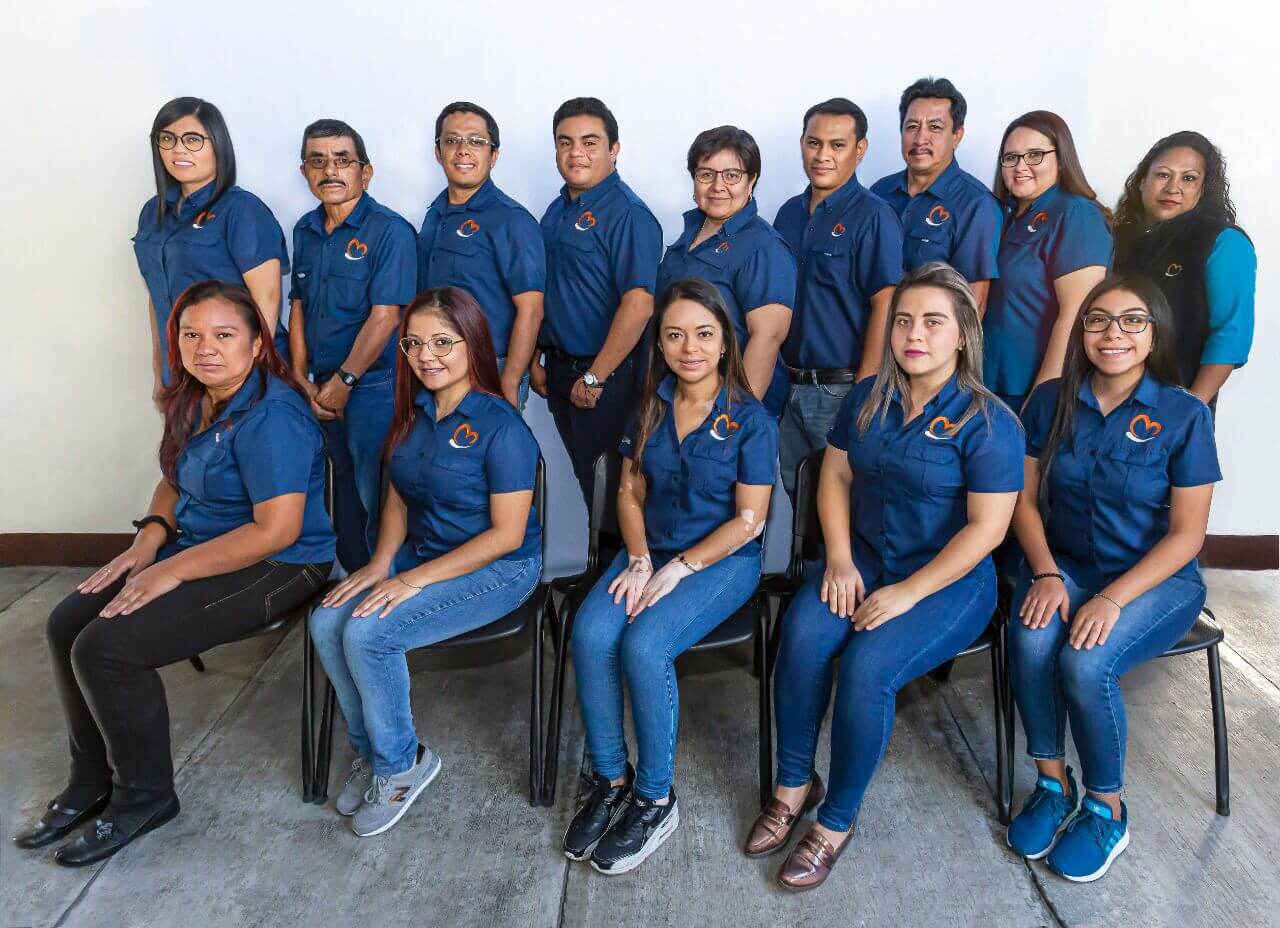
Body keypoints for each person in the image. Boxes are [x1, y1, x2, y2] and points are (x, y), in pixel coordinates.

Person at [14, 280, 334, 865]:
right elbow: (172, 478)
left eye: (223, 334)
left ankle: (145, 798)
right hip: (196, 544)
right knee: (67, 624)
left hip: (283, 564)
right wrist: (149, 540)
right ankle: (92, 780)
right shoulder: (194, 397)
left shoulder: (272, 416)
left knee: (107, 649)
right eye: (191, 334)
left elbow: (277, 531)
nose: (205, 347)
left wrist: (173, 571)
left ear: (258, 344)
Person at [757, 263, 1023, 892]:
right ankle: (795, 784)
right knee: (802, 635)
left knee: (867, 668)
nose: (914, 334)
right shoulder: (869, 395)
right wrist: (842, 559)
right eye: (904, 320)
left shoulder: (990, 422)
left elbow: (986, 531)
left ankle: (836, 821)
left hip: (948, 582)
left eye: (933, 322)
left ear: (963, 334)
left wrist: (907, 593)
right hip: (866, 557)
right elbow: (836, 477)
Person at [1005, 277, 1219, 882]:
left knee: (1085, 663)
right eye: (1098, 320)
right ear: (1081, 333)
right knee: (1031, 635)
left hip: (1158, 579)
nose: (1113, 334)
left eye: (1132, 321)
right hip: (1066, 564)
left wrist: (1110, 598)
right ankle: (1053, 785)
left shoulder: (1183, 414)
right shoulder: (1050, 401)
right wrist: (1046, 572)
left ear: (1154, 335)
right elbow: (1022, 501)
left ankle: (1106, 807)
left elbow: (1187, 536)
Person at [308, 287, 543, 838]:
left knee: (369, 634)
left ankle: (400, 768)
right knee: (326, 621)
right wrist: (381, 563)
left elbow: (507, 535)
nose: (426, 355)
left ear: (472, 344)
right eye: (414, 344)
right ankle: (374, 750)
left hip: (499, 567)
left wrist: (411, 579)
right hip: (426, 552)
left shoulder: (503, 425)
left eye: (443, 342)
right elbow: (397, 496)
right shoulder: (413, 413)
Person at [563, 278, 777, 875]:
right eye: (676, 335)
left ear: (726, 344)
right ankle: (610, 779)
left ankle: (656, 797)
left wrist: (682, 567)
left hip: (723, 561)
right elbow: (630, 491)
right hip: (648, 551)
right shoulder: (651, 405)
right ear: (660, 343)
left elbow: (749, 521)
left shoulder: (750, 420)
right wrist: (638, 559)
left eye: (704, 335)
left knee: (645, 644)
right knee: (590, 633)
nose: (690, 348)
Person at [289, 118, 417, 572]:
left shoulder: (390, 232)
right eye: (318, 161)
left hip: (374, 390)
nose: (331, 171)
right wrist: (302, 378)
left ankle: (384, 588)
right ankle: (347, 583)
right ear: (303, 171)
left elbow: (387, 316)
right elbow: (299, 307)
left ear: (366, 172)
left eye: (343, 160)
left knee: (377, 495)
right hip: (318, 390)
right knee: (336, 492)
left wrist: (344, 381)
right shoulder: (304, 231)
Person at [535, 97, 663, 509]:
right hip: (559, 368)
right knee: (588, 478)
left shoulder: (628, 213)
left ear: (614, 149)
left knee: (613, 484)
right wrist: (539, 357)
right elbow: (551, 289)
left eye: (590, 142)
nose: (577, 153)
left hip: (605, 375)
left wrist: (596, 376)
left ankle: (620, 570)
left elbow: (639, 303)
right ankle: (600, 566)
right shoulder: (557, 210)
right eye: (565, 142)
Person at [774, 97, 904, 496]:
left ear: (859, 150)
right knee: (801, 507)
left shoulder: (874, 216)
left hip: (841, 389)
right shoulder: (788, 215)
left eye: (837, 145)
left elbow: (886, 304)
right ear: (801, 144)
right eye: (814, 143)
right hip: (787, 386)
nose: (823, 155)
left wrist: (865, 394)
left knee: (841, 505)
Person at [134, 97, 290, 397]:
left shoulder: (241, 209)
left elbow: (267, 298)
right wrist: (161, 369)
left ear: (217, 144)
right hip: (184, 367)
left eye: (193, 139)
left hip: (237, 370)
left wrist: (251, 374)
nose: (178, 149)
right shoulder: (153, 213)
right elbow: (158, 296)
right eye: (167, 139)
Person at [656, 126, 794, 417]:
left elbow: (767, 337)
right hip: (680, 398)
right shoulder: (691, 232)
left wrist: (731, 421)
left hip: (726, 410)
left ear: (752, 180)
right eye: (706, 174)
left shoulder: (763, 247)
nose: (718, 186)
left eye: (732, 175)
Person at [417, 102, 546, 408]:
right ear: (438, 152)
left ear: (494, 155)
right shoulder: (434, 215)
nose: (463, 150)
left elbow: (531, 308)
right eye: (452, 140)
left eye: (476, 141)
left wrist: (511, 381)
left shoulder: (511, 220)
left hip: (490, 371)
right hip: (432, 367)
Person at [1113, 131, 1255, 404]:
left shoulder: (1223, 241)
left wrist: (1190, 410)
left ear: (1203, 189)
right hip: (1104, 399)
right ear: (1142, 182)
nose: (1172, 188)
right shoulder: (1117, 238)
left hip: (1176, 398)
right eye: (1163, 175)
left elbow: (1230, 334)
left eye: (1188, 178)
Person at [984, 111, 1112, 412]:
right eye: (1010, 157)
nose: (1020, 166)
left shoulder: (1076, 215)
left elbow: (1076, 313)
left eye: (1035, 155)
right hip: (988, 382)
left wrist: (1042, 398)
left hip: (1032, 387)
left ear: (1062, 157)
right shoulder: (1001, 216)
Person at [871, 77, 1001, 310]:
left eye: (935, 127)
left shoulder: (976, 205)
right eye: (912, 127)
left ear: (957, 136)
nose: (920, 139)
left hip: (925, 341)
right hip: (869, 333)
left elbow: (974, 305)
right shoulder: (880, 192)